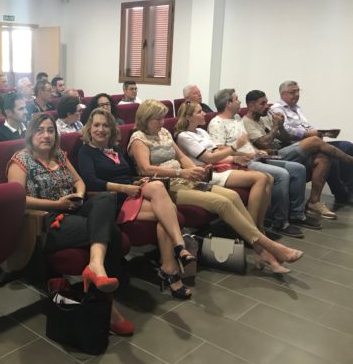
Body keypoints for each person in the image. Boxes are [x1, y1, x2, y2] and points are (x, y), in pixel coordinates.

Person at [129, 100, 304, 274]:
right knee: (222, 203)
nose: (162, 122)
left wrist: (195, 170)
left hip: (184, 179)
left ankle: (262, 251)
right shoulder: (139, 138)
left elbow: (182, 157)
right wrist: (181, 173)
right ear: (146, 119)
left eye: (163, 118)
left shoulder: (164, 132)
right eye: (158, 119)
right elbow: (145, 169)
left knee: (232, 196)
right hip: (165, 187)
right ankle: (270, 248)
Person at [7, 113, 133, 335]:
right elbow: (18, 200)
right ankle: (109, 309)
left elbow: (79, 181)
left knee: (106, 198)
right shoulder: (20, 160)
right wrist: (57, 204)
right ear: (30, 134)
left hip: (72, 207)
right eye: (40, 130)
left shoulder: (59, 155)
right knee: (111, 231)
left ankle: (95, 265)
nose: (46, 135)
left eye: (50, 130)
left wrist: (79, 196)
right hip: (46, 221)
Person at [78, 108, 193, 299]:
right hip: (111, 201)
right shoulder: (86, 151)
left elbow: (128, 173)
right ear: (89, 128)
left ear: (112, 129)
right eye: (96, 125)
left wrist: (136, 181)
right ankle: (174, 262)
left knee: (158, 190)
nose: (101, 129)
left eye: (105, 125)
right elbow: (90, 182)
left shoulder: (115, 149)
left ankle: (173, 260)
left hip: (131, 193)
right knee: (169, 211)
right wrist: (123, 188)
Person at [208, 88, 324, 230]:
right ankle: (280, 221)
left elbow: (246, 143)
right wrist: (244, 155)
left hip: (254, 156)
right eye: (236, 99)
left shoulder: (237, 118)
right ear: (228, 103)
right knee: (282, 174)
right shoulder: (217, 123)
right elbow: (220, 150)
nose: (239, 101)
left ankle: (296, 214)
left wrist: (257, 151)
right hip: (242, 162)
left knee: (298, 169)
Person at [245, 89, 353, 217]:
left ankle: (314, 202)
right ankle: (348, 159)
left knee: (323, 158)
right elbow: (264, 143)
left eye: (266, 102)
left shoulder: (264, 119)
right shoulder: (246, 122)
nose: (267, 106)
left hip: (284, 150)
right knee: (314, 140)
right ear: (251, 106)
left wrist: (281, 126)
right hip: (270, 155)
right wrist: (275, 127)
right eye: (262, 104)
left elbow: (285, 139)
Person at [174, 102, 275, 235]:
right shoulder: (184, 136)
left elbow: (217, 154)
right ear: (188, 117)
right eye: (199, 112)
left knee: (269, 178)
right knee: (261, 178)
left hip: (218, 167)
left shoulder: (201, 131)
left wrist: (235, 158)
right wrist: (235, 147)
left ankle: (259, 226)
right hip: (206, 172)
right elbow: (208, 158)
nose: (204, 113)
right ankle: (251, 230)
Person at [271, 80, 353, 205]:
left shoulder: (297, 108)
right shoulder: (276, 109)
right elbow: (285, 130)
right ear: (283, 94)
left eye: (298, 91)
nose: (297, 94)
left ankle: (349, 191)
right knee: (330, 156)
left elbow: (307, 127)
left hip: (312, 141)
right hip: (295, 144)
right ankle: (341, 193)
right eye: (293, 92)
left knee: (347, 146)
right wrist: (307, 134)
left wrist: (321, 132)